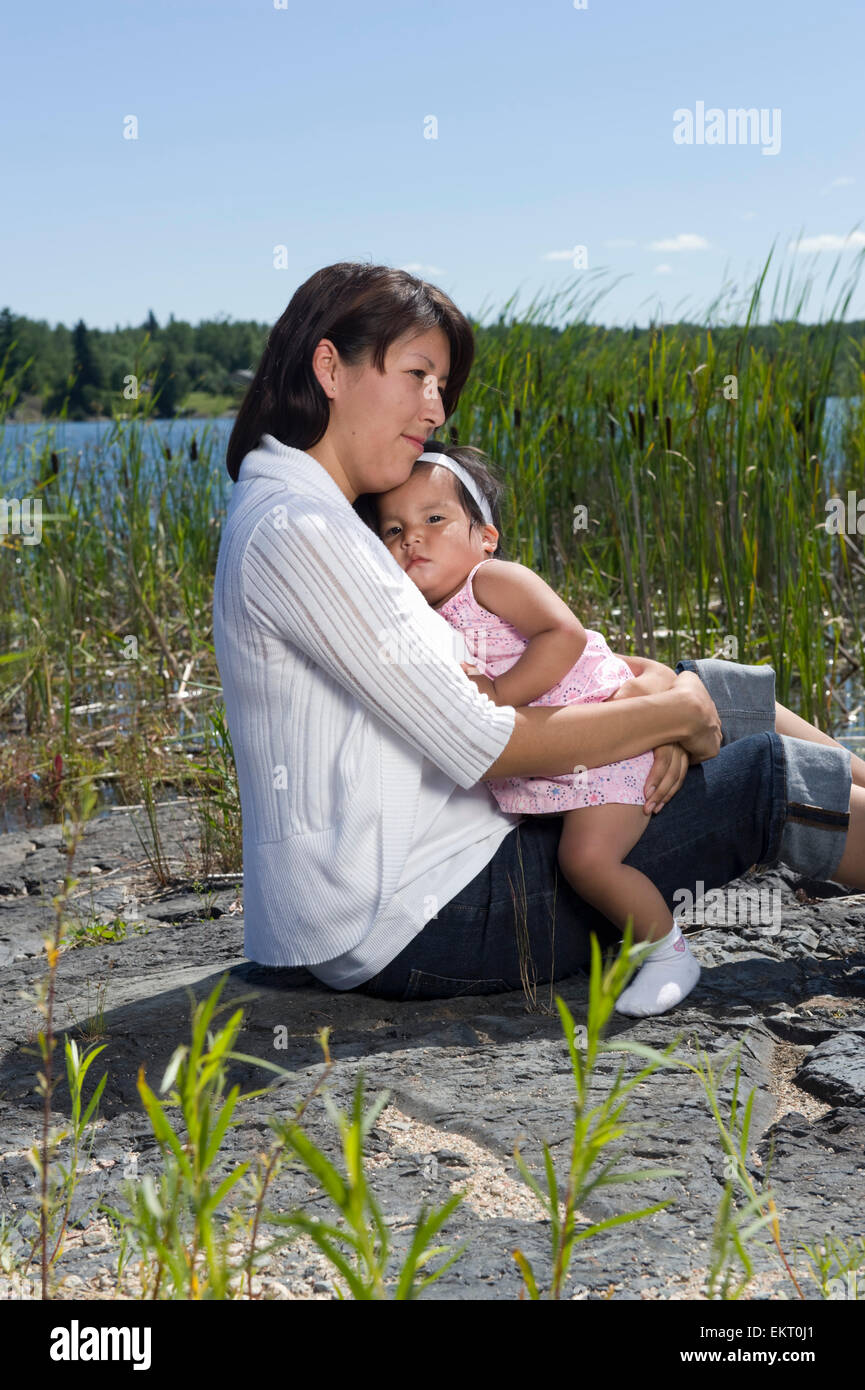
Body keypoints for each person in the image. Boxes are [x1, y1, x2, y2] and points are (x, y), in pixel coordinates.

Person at [213, 260, 864, 1008]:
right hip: (429, 916)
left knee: (713, 686)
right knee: (762, 777)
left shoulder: (319, 515)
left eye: (441, 388)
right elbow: (483, 741)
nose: (435, 410)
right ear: (330, 365)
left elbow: (539, 668)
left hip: (457, 860)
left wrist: (663, 692)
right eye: (418, 375)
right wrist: (673, 716)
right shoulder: (300, 530)